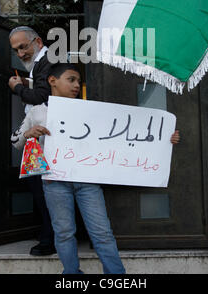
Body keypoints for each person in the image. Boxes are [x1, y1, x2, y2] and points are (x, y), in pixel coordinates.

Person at [11, 63, 181, 274]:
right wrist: (29, 134)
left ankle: (117, 276)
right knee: (63, 232)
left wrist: (164, 138)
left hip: (87, 181)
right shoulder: (37, 112)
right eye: (71, 79)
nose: (76, 85)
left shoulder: (92, 110)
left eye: (78, 81)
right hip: (54, 181)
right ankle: (72, 275)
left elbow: (122, 135)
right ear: (52, 81)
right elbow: (15, 141)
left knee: (102, 232)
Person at [9, 26, 55, 256]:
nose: (20, 54)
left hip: (44, 139)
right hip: (35, 140)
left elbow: (42, 97)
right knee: (37, 187)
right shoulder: (40, 63)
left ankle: (49, 240)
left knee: (43, 189)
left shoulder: (47, 60)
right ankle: (46, 235)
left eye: (23, 47)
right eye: (15, 50)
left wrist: (17, 88)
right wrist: (27, 84)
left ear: (37, 42)